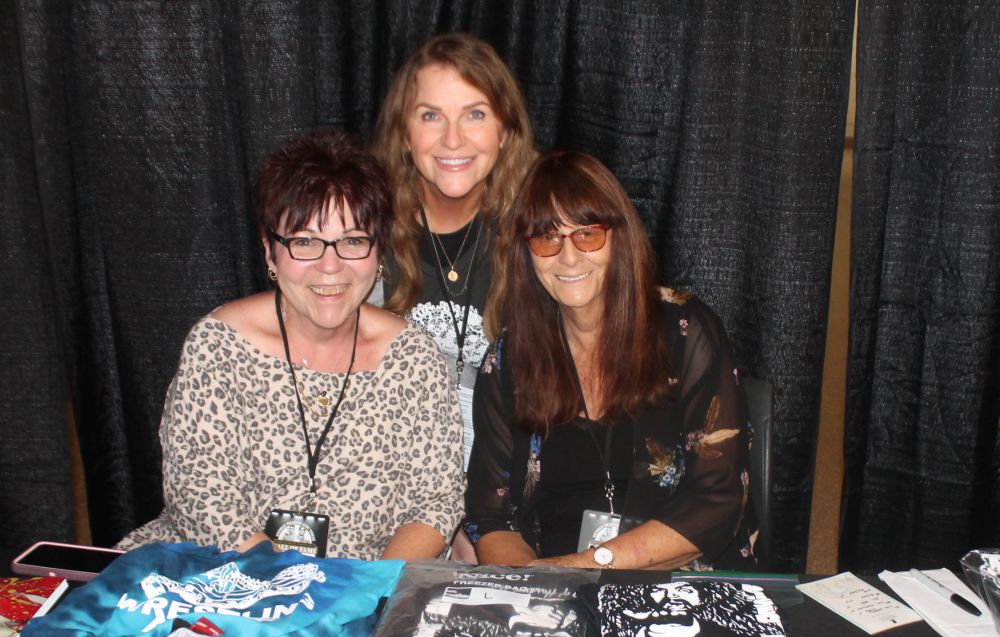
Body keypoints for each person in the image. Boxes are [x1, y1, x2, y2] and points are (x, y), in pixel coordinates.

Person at [118, 130, 464, 560]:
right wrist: (290, 589)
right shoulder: (219, 347)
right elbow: (201, 496)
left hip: (358, 598)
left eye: (353, 241)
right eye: (305, 242)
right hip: (220, 578)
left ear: (379, 252)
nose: (330, 266)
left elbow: (435, 505)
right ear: (270, 251)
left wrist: (366, 595)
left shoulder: (413, 359)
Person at [464, 150, 756, 570]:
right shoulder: (509, 361)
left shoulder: (685, 331)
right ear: (526, 253)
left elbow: (719, 499)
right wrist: (533, 588)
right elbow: (490, 517)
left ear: (619, 236)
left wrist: (584, 565)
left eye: (587, 233)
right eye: (548, 237)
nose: (568, 257)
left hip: (676, 584)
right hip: (553, 591)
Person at [371, 32, 536, 471]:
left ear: (505, 131)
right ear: (404, 134)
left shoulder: (544, 236)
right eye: (431, 116)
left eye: (475, 114)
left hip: (510, 484)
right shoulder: (361, 237)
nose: (453, 139)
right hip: (393, 483)